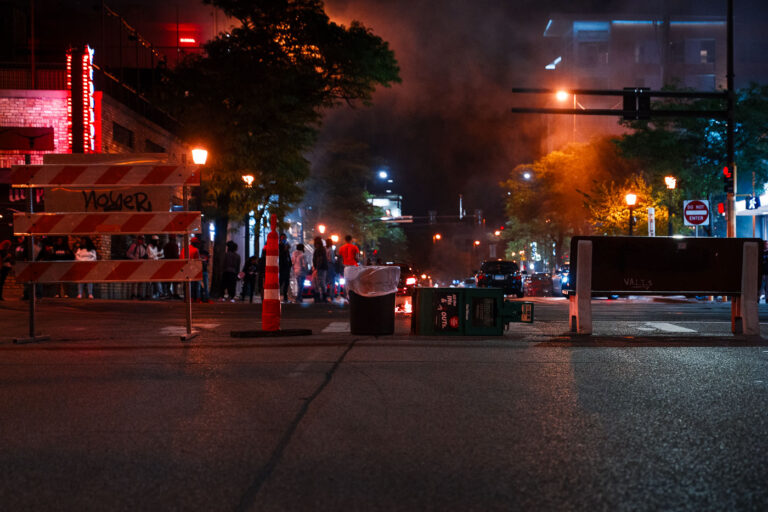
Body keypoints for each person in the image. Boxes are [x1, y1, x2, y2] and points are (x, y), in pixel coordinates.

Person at [126, 235, 149, 299]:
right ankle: (133, 294)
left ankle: (139, 294)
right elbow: (128, 254)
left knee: (140, 280)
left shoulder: (143, 247)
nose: (143, 240)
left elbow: (145, 255)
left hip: (141, 265)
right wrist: (135, 258)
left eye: (143, 239)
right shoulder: (134, 246)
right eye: (141, 239)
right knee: (134, 280)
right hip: (135, 265)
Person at [312, 237, 328, 302]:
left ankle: (319, 297)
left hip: (320, 268)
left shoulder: (319, 250)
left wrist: (316, 268)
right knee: (319, 282)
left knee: (319, 282)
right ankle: (322, 297)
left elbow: (319, 259)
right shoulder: (320, 249)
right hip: (321, 268)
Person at [278, 234, 292, 303]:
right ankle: (278, 294)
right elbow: (280, 256)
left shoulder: (286, 246)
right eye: (283, 238)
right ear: (280, 239)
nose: (284, 239)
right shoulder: (279, 246)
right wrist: (284, 250)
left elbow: (288, 256)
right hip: (282, 266)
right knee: (281, 281)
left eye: (285, 238)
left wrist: (290, 264)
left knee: (286, 282)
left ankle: (285, 296)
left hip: (287, 266)